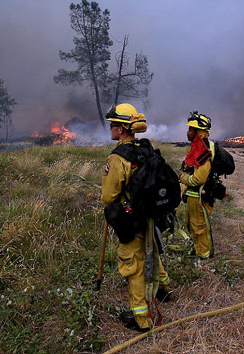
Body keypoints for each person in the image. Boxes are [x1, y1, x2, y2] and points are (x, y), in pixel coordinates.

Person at [101, 103, 172, 332]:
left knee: (134, 265)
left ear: (122, 129)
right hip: (151, 218)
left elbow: (109, 195)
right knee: (152, 250)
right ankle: (164, 288)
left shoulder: (117, 157)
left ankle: (141, 318)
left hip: (132, 220)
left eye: (113, 124)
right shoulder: (146, 149)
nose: (110, 127)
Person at [179, 112, 215, 259]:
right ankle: (199, 250)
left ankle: (204, 257)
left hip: (200, 197)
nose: (187, 132)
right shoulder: (197, 147)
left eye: (190, 129)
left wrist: (182, 178)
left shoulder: (203, 150)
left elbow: (199, 179)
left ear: (198, 131)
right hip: (193, 196)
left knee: (199, 228)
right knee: (191, 226)